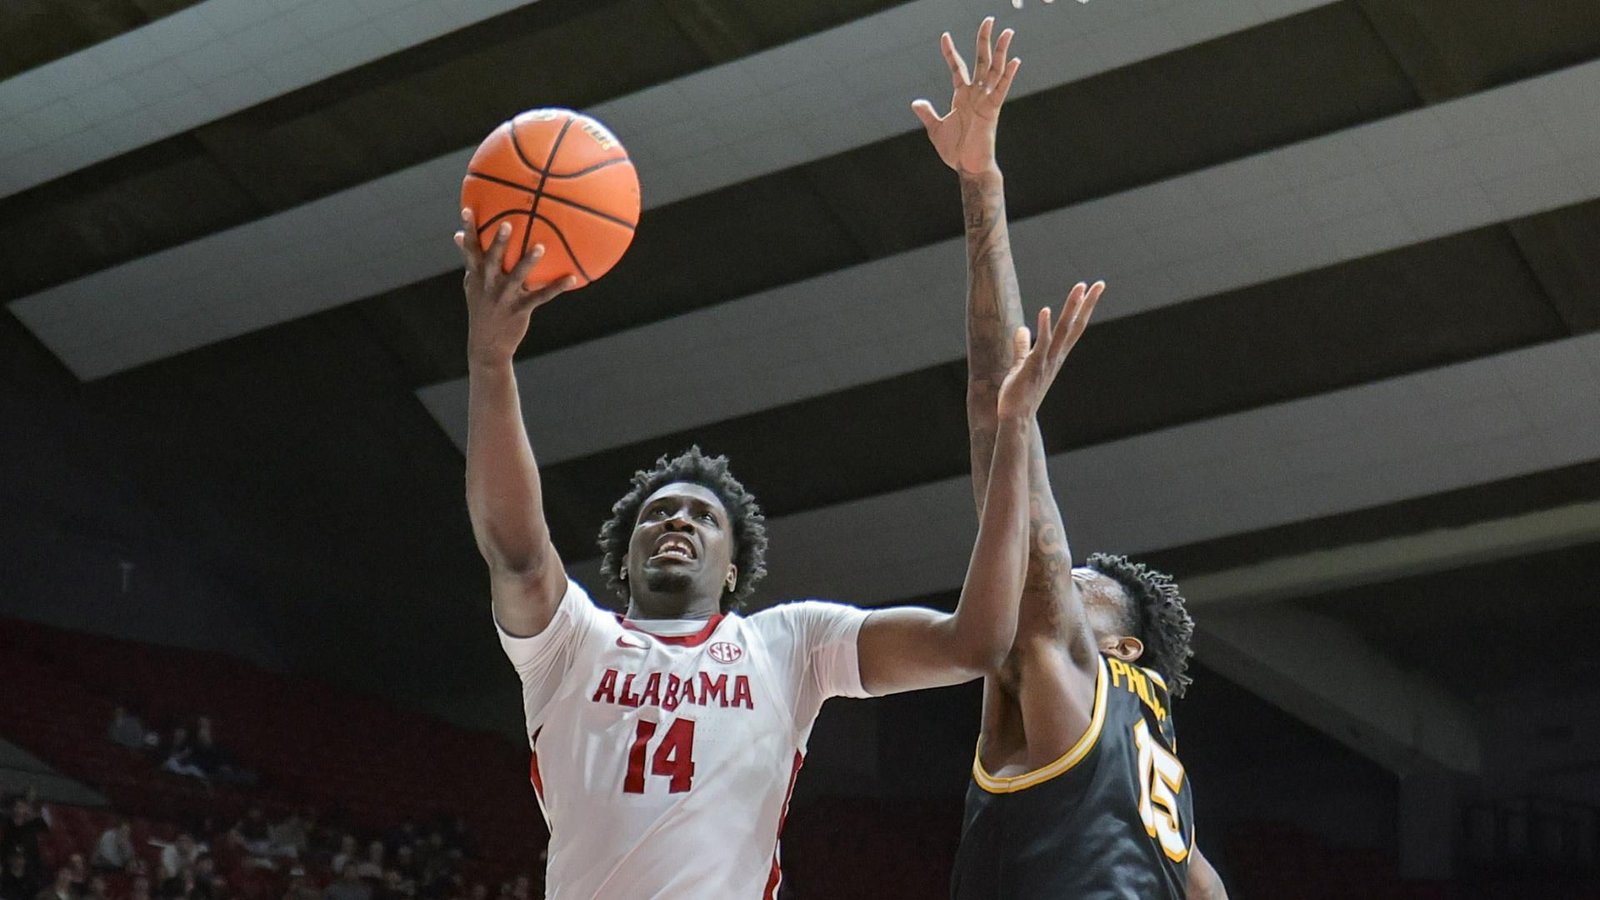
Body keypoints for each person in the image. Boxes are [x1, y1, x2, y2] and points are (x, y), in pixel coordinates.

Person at [451, 181, 1095, 895]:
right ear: (624, 560)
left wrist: (1013, 431)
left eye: (704, 518)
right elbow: (517, 553)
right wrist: (490, 363)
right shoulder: (571, 644)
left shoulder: (790, 645)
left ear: (732, 570)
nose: (677, 522)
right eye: (657, 515)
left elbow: (973, 644)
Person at [912, 18, 1230, 899]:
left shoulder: (1072, 673)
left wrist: (980, 182)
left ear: (1120, 645)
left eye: (1074, 583)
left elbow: (993, 403)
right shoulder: (1172, 818)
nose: (1052, 574)